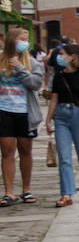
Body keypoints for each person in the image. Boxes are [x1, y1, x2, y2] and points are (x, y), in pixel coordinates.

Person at [43, 44, 79, 208]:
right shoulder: (58, 76)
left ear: (72, 56)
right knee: (64, 157)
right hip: (61, 115)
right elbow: (54, 99)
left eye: (62, 54)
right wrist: (48, 119)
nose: (59, 56)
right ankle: (66, 194)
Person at [0, 28, 42, 207]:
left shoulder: (32, 62)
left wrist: (19, 67)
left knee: (25, 151)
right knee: (7, 152)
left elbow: (35, 84)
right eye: (22, 39)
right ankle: (9, 192)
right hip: (4, 110)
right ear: (12, 40)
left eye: (27, 40)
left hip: (25, 112)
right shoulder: (1, 59)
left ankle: (26, 189)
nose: (25, 43)